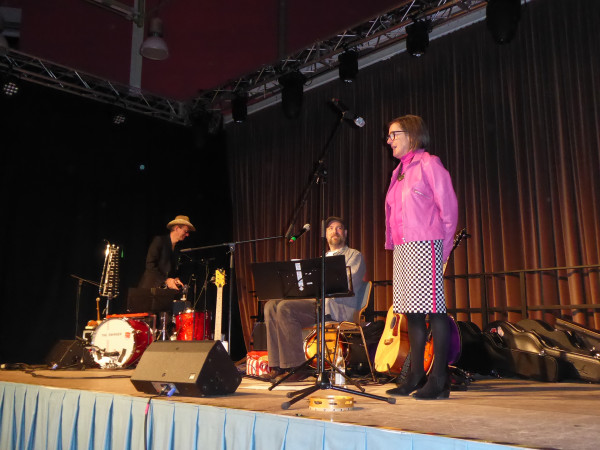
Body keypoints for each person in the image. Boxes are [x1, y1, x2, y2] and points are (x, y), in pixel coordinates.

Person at [384, 115, 458, 400]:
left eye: (394, 134)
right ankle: (415, 375)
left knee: (434, 310)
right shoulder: (399, 172)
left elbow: (448, 210)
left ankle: (440, 378)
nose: (389, 140)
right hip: (403, 247)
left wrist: (444, 250)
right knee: (411, 312)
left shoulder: (429, 163)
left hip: (426, 243)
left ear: (412, 134)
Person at [263, 216, 367, 381]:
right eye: (330, 229)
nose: (334, 231)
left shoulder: (354, 255)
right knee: (271, 305)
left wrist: (319, 282)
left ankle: (297, 367)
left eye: (339, 228)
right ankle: (277, 366)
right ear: (325, 234)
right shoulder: (320, 259)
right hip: (317, 303)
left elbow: (347, 283)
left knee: (285, 308)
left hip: (336, 307)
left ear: (345, 233)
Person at [138, 215, 195, 290]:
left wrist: (175, 279)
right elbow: (150, 265)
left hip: (164, 291)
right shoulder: (160, 241)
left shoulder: (177, 249)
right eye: (186, 231)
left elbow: (171, 271)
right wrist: (166, 280)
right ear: (177, 228)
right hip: (150, 288)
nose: (187, 234)